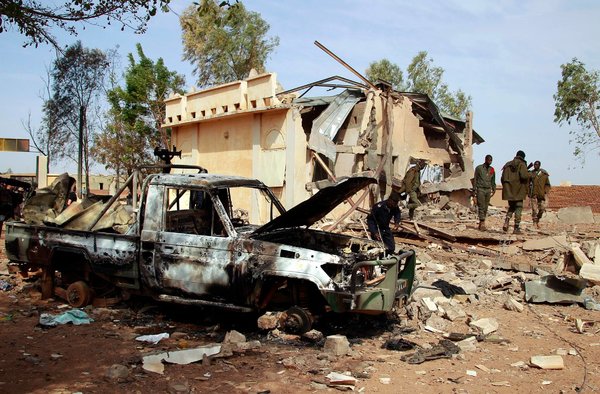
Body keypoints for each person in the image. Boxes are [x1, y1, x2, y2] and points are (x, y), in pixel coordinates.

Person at [500, 150, 531, 234]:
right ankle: (516, 228)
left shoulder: (507, 164)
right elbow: (524, 176)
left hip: (509, 191)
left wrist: (507, 187)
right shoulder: (522, 164)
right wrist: (529, 174)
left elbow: (502, 178)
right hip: (519, 190)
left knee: (512, 207)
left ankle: (507, 219)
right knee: (518, 207)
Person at [473, 155, 496, 231]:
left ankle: (482, 221)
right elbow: (475, 179)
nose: (490, 162)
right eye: (489, 160)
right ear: (485, 160)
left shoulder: (492, 169)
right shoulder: (479, 168)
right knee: (481, 206)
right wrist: (474, 190)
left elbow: (493, 180)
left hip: (488, 190)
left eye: (491, 160)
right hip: (480, 189)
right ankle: (482, 222)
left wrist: (494, 188)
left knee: (486, 207)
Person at [528, 160, 551, 229]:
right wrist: (529, 192)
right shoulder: (531, 174)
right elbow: (528, 184)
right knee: (534, 210)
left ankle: (538, 219)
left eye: (537, 164)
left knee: (542, 208)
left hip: (541, 194)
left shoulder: (544, 174)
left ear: (539, 165)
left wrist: (545, 191)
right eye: (535, 164)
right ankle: (534, 222)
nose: (535, 166)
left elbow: (547, 185)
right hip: (533, 194)